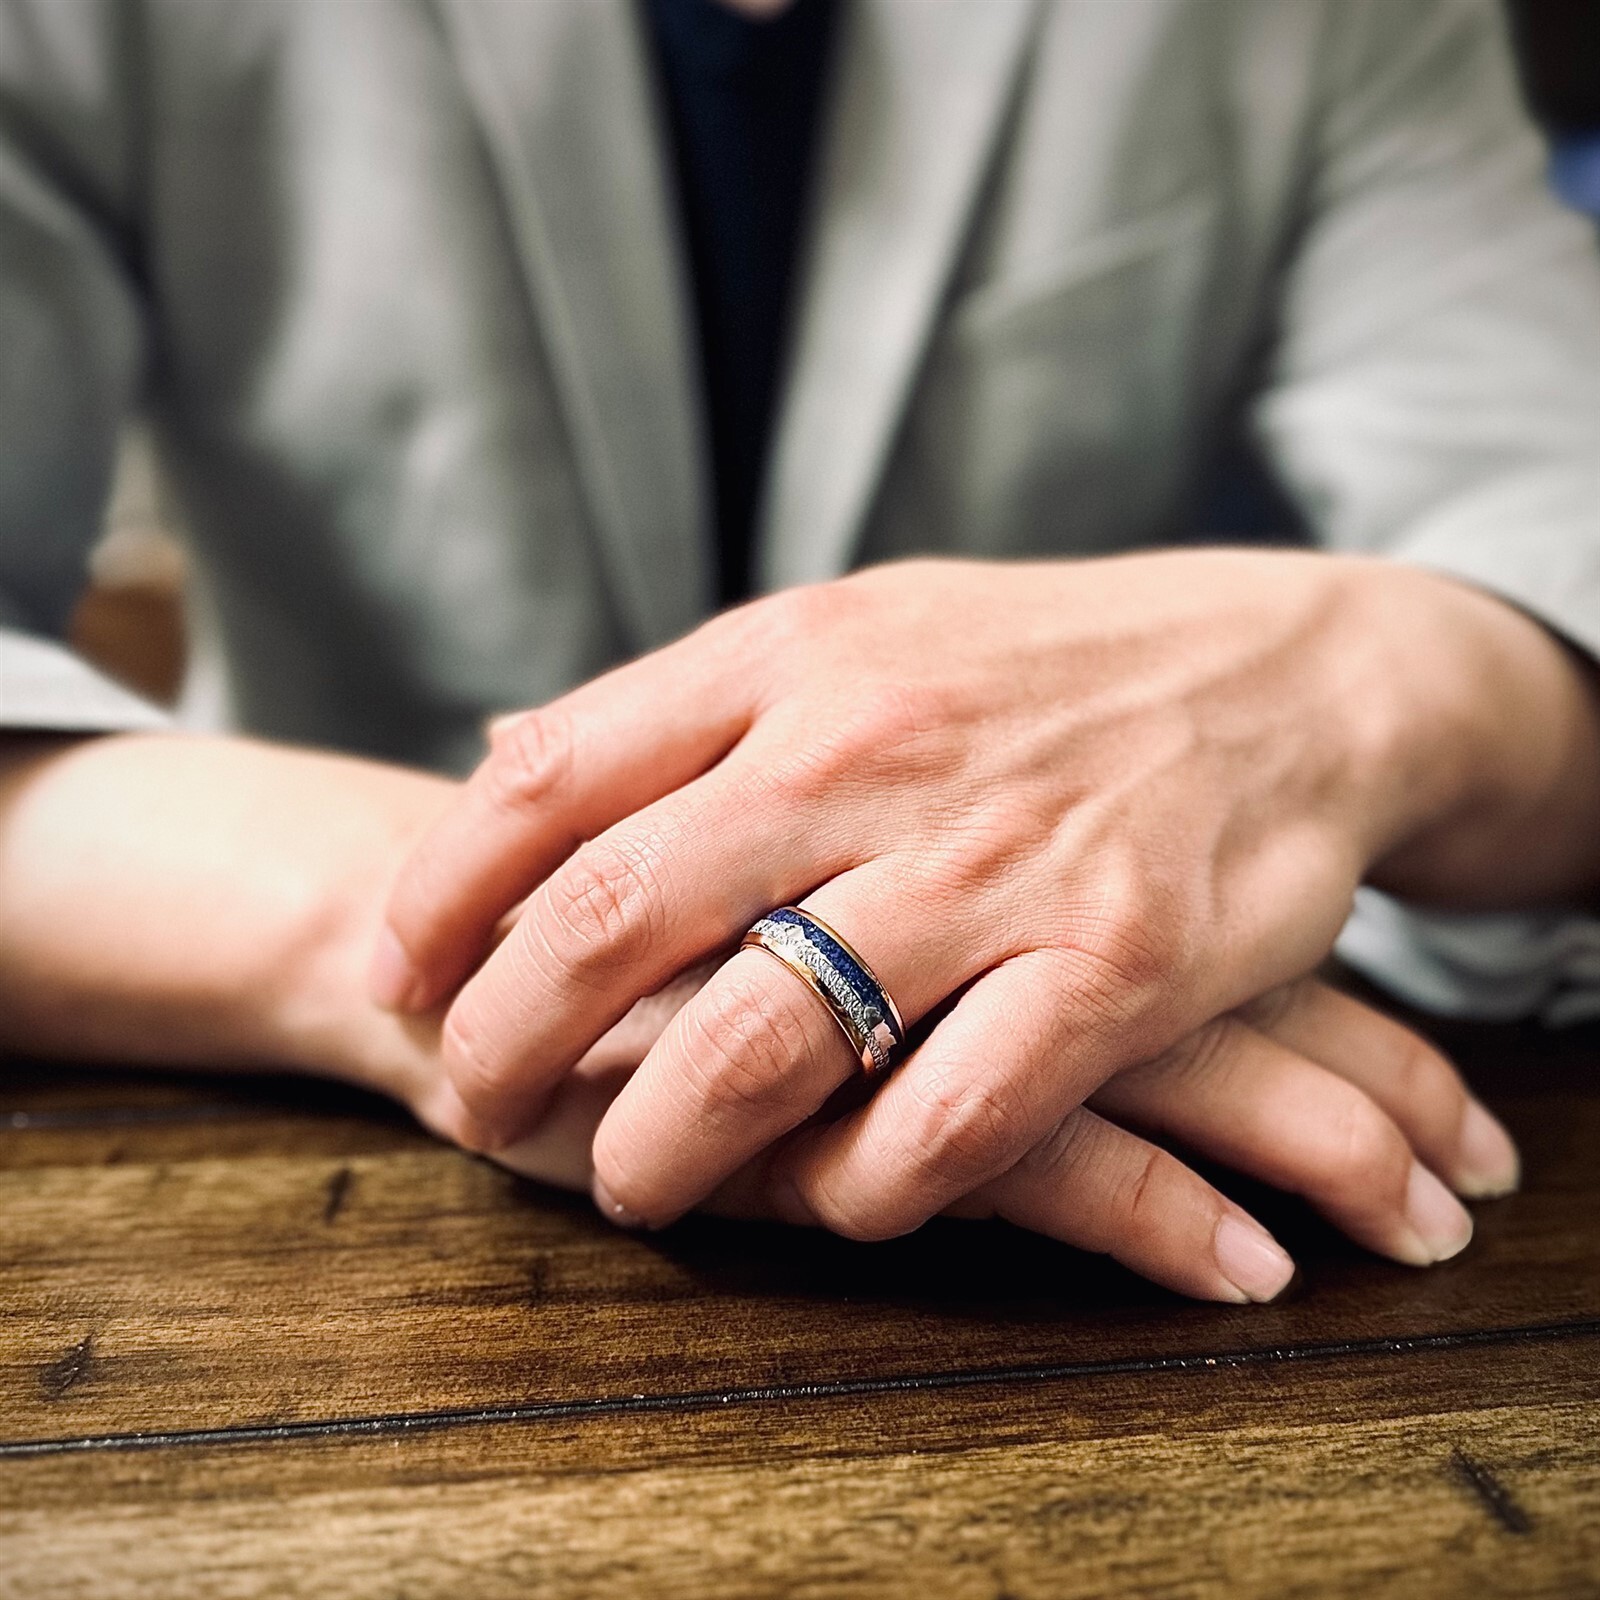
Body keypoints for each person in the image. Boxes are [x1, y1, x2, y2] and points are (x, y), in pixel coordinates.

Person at [2, 0, 1599, 1304]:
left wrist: (1348, 682)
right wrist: (473, 922)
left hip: (1092, 1070)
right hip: (326, 1194)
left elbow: (1553, 486)